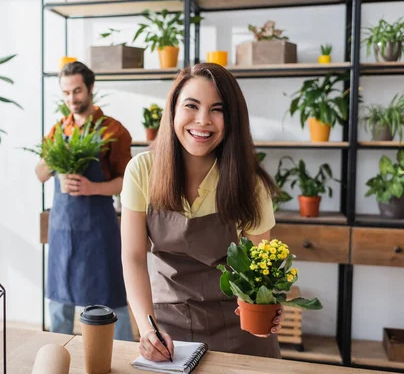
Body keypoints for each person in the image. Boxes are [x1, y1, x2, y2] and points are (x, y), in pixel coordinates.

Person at [120, 63, 284, 361]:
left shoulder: (250, 184)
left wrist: (267, 310)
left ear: (232, 119)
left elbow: (263, 268)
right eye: (191, 106)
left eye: (217, 109)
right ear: (173, 111)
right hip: (169, 332)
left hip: (241, 331)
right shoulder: (142, 171)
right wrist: (148, 329)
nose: (203, 120)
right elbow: (132, 257)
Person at [35, 61, 134, 341]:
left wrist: (92, 187)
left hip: (99, 231)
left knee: (112, 299)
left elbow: (127, 182)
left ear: (90, 88)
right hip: (62, 229)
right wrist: (55, 161)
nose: (71, 99)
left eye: (77, 91)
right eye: (66, 93)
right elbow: (40, 174)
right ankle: (58, 357)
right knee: (59, 302)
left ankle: (127, 358)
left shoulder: (113, 131)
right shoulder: (57, 130)